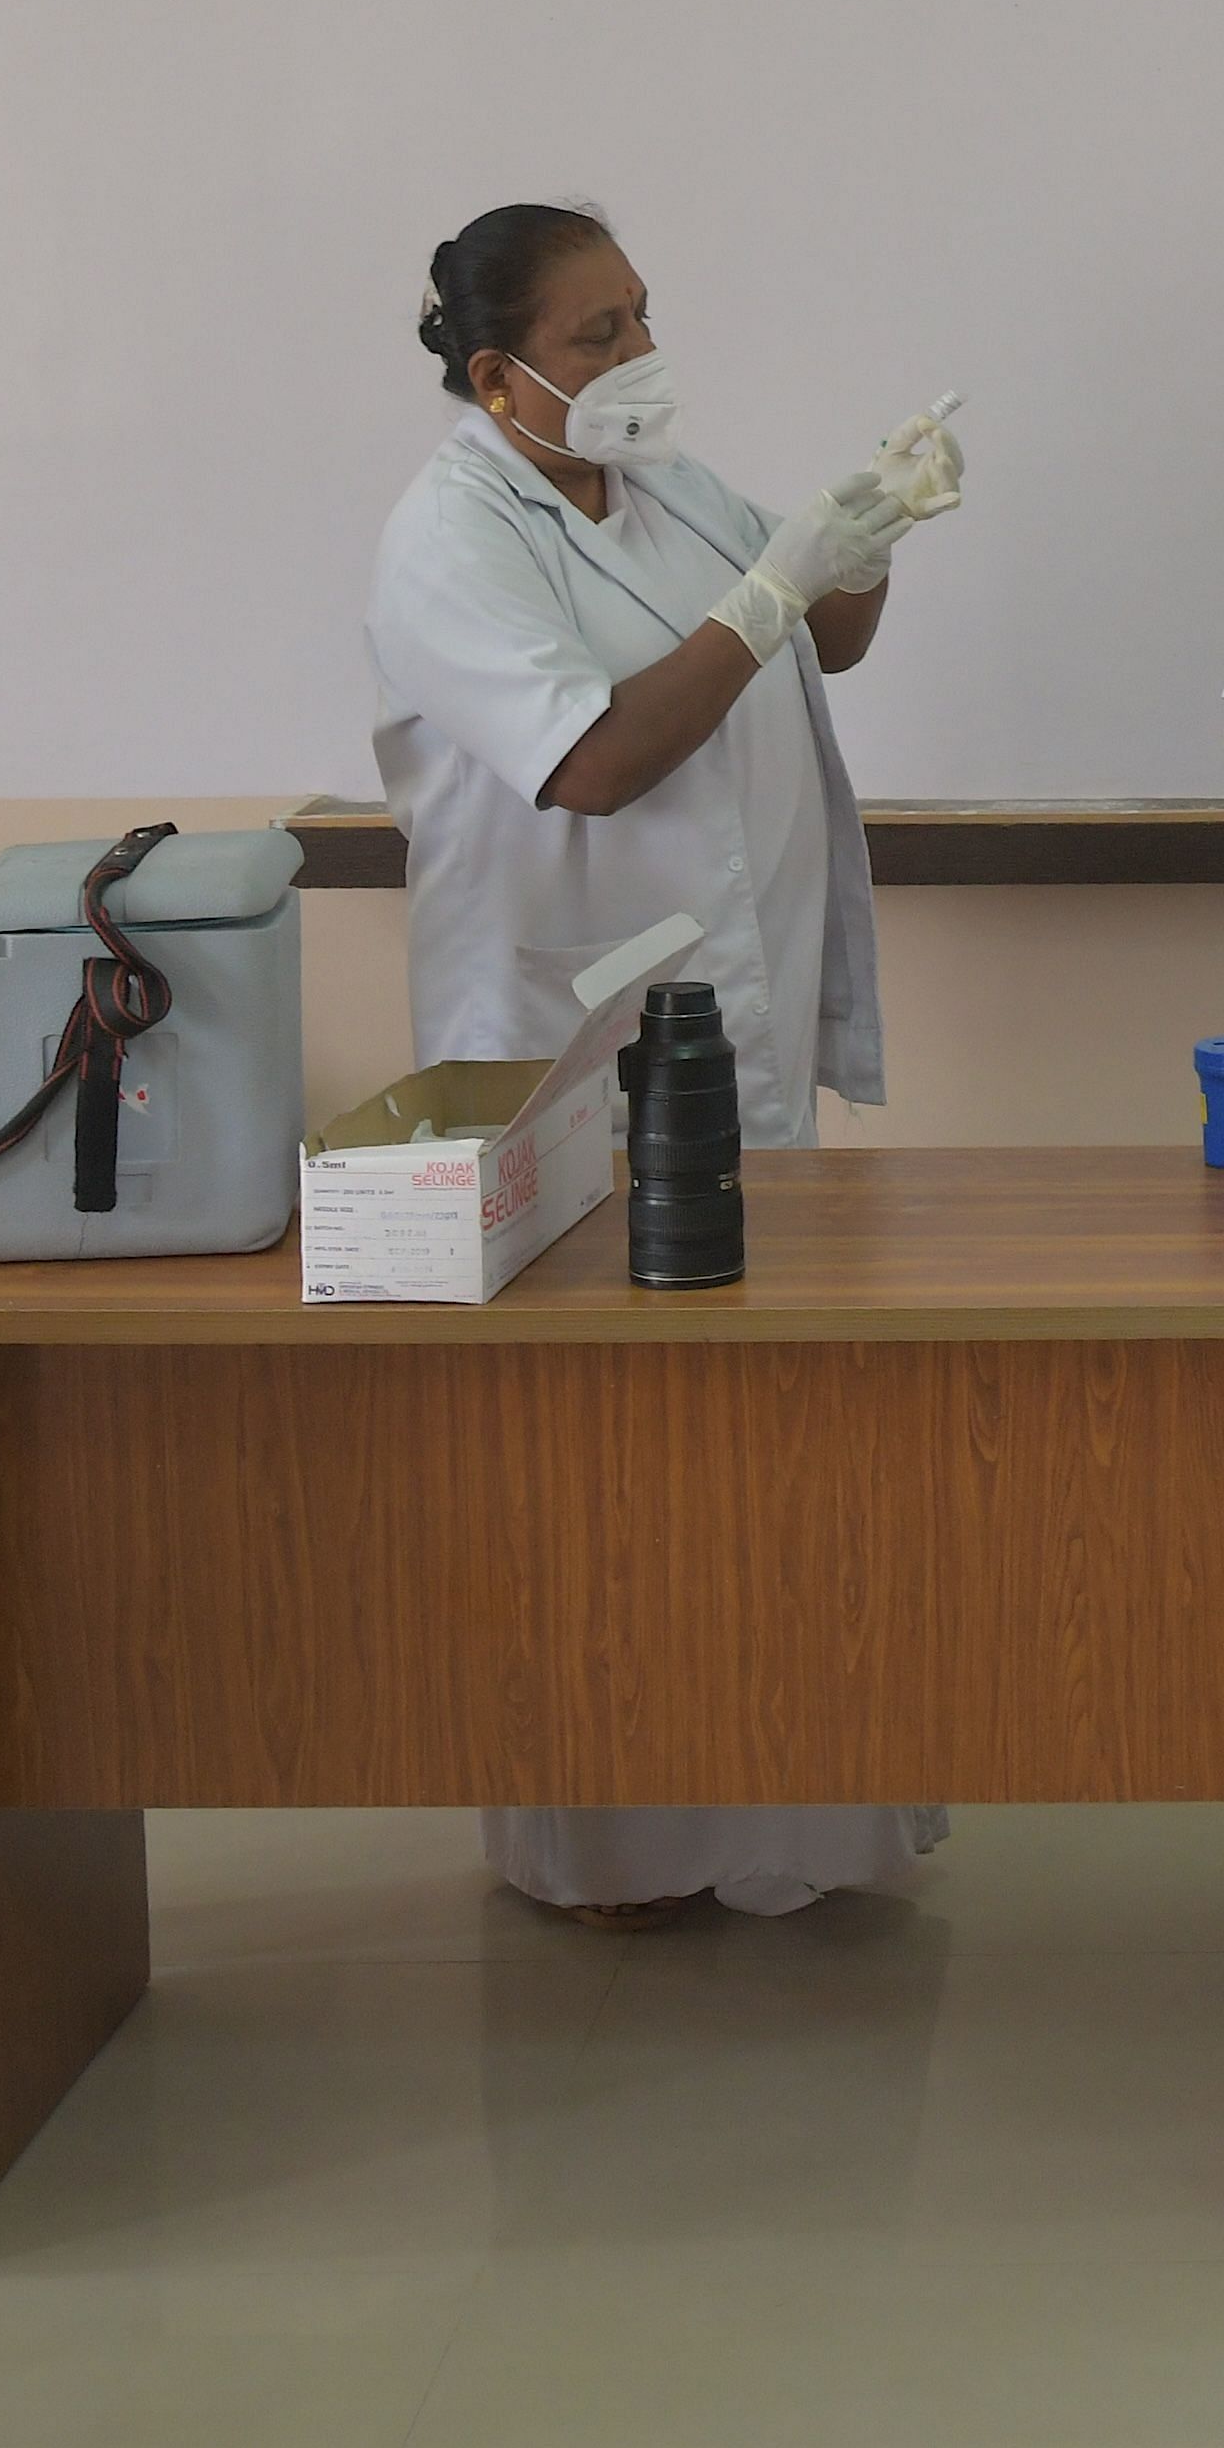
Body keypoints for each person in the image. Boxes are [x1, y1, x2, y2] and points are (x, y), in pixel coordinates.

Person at [364, 201, 957, 1924]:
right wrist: (785, 584)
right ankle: (619, 1851)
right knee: (608, 1473)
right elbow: (597, 763)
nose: (639, 359)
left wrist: (871, 535)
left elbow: (821, 637)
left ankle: (796, 1835)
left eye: (641, 318)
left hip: (733, 1024)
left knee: (776, 1455)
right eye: (595, 335)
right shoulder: (445, 536)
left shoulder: (677, 483)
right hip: (566, 1040)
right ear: (496, 374)